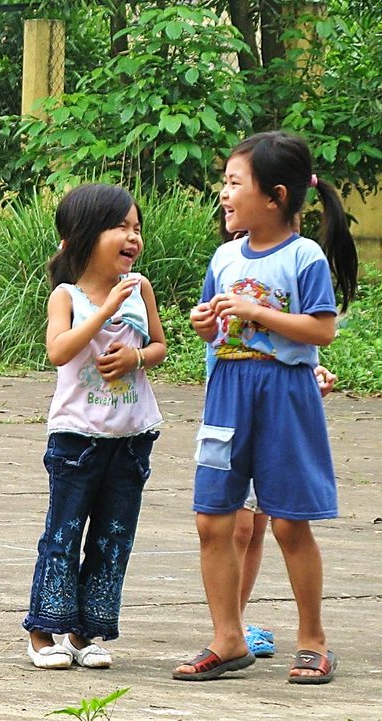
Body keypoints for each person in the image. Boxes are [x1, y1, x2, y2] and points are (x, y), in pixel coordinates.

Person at [175, 130, 357, 683]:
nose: (224, 193)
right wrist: (205, 323)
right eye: (224, 183)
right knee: (213, 519)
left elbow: (320, 329)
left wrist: (258, 312)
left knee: (288, 524)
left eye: (234, 183)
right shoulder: (225, 256)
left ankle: (312, 639)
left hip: (285, 394)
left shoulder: (304, 257)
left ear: (275, 196)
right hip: (227, 391)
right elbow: (212, 323)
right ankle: (227, 638)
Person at [23, 183, 165, 670]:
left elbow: (160, 349)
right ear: (84, 236)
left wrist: (136, 357)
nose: (133, 237)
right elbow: (59, 351)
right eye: (120, 227)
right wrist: (105, 310)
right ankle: (44, 630)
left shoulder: (141, 287)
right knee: (63, 533)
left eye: (136, 228)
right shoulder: (66, 295)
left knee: (113, 535)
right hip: (76, 439)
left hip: (132, 437)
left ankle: (87, 633)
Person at [235, 365, 336, 659]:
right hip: (235, 409)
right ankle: (230, 628)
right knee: (237, 528)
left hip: (282, 415)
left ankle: (311, 637)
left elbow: (306, 341)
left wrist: (309, 379)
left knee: (276, 526)